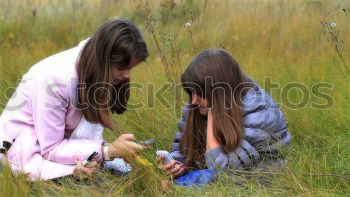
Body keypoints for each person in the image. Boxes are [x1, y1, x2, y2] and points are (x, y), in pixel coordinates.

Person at [0, 19, 149, 180]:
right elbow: (51, 148)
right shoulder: (54, 80)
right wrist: (107, 150)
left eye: (130, 68)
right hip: (20, 151)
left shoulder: (95, 69)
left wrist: (100, 154)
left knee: (117, 175)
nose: (127, 75)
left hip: (51, 149)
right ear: (103, 60)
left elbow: (89, 132)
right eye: (121, 67)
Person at [158, 48, 291, 181]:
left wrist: (212, 117)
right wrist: (178, 167)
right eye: (191, 92)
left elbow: (224, 172)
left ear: (220, 92)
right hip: (223, 177)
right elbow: (185, 151)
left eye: (200, 93)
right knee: (169, 183)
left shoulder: (260, 115)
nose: (194, 100)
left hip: (258, 182)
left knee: (181, 185)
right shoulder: (196, 107)